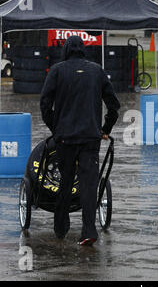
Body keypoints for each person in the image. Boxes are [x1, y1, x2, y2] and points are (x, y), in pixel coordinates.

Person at [40, 35, 120, 246]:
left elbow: (45, 105)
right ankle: (89, 231)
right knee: (88, 185)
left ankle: (60, 228)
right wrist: (105, 129)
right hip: (90, 138)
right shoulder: (96, 71)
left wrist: (55, 128)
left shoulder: (57, 71)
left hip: (65, 139)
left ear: (66, 50)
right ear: (83, 49)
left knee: (65, 182)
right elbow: (114, 105)